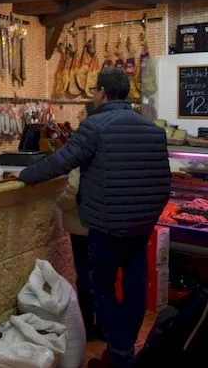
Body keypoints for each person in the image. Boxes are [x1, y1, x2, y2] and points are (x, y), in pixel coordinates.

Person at [19, 68, 171, 368]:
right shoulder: (152, 129)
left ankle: (122, 350)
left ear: (101, 92)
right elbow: (163, 180)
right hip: (141, 225)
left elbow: (63, 161)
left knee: (101, 289)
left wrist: (24, 175)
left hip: (106, 224)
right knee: (134, 287)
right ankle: (122, 350)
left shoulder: (95, 125)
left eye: (94, 90)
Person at [56, 101, 101, 341]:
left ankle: (88, 329)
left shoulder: (84, 140)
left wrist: (60, 204)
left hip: (83, 223)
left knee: (85, 276)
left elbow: (74, 186)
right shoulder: (107, 136)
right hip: (105, 221)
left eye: (81, 112)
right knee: (102, 275)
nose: (77, 115)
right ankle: (103, 326)